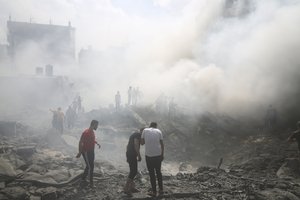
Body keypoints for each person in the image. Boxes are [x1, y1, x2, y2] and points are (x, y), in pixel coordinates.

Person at [141, 122, 164, 197]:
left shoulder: (145, 130)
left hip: (149, 155)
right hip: (158, 155)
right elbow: (162, 144)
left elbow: (142, 143)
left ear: (150, 126)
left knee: (151, 174)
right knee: (158, 172)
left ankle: (154, 192)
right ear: (156, 126)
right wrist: (162, 155)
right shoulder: (159, 131)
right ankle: (161, 190)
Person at [76, 120, 101, 187]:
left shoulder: (92, 131)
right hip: (86, 152)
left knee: (89, 165)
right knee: (91, 166)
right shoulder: (86, 132)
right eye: (97, 125)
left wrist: (97, 143)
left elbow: (92, 140)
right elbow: (81, 142)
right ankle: (91, 183)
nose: (97, 127)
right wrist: (80, 152)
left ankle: (83, 178)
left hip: (91, 151)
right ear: (94, 124)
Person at [123, 128, 144, 195]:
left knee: (133, 170)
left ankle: (132, 187)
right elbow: (136, 145)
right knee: (133, 171)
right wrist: (139, 155)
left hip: (130, 154)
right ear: (142, 132)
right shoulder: (138, 135)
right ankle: (126, 188)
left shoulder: (135, 134)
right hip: (132, 154)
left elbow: (141, 143)